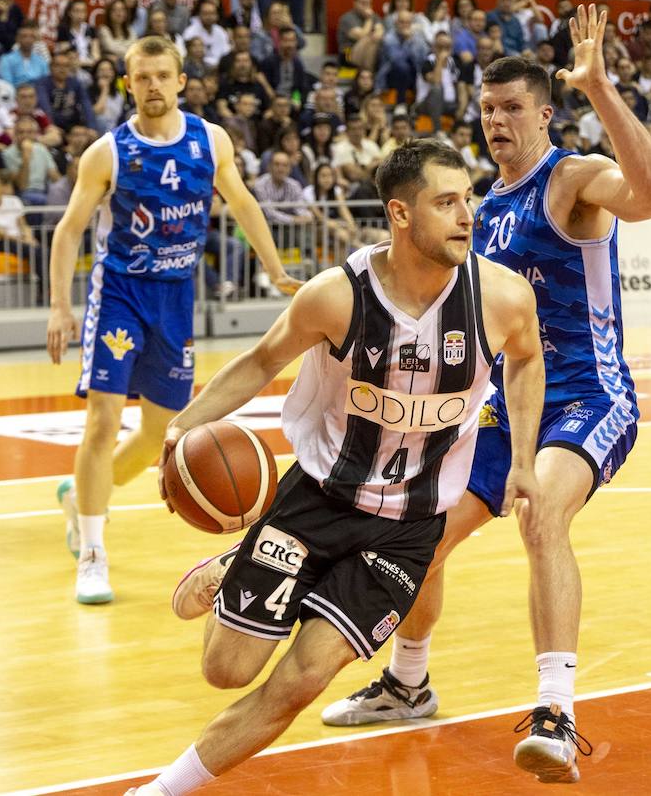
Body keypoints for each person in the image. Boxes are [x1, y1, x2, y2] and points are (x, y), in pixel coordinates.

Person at [317, 6, 651, 784]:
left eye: (513, 108)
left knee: (542, 512)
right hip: (504, 403)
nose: (497, 121)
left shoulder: (572, 178)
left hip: (589, 394)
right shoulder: (477, 206)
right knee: (418, 535)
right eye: (487, 109)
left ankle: (556, 710)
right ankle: (409, 682)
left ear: (546, 113)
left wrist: (604, 90)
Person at [127, 138, 545, 796]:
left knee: (301, 682)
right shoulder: (336, 297)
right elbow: (261, 362)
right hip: (316, 503)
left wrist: (521, 457)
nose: (467, 215)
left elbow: (525, 359)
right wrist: (184, 425)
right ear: (400, 215)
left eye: (468, 199)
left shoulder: (502, 298)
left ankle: (157, 792)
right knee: (227, 670)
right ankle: (238, 560)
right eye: (446, 202)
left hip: (409, 530)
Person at [45, 36, 299, 605]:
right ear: (127, 83)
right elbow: (67, 230)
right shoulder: (107, 153)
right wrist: (61, 305)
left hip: (176, 297)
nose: (153, 85)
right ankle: (92, 549)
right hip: (120, 295)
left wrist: (276, 270)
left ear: (181, 81)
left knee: (162, 433)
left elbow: (243, 204)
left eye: (163, 75)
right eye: (142, 77)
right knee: (102, 422)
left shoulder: (210, 141)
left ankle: (81, 493)